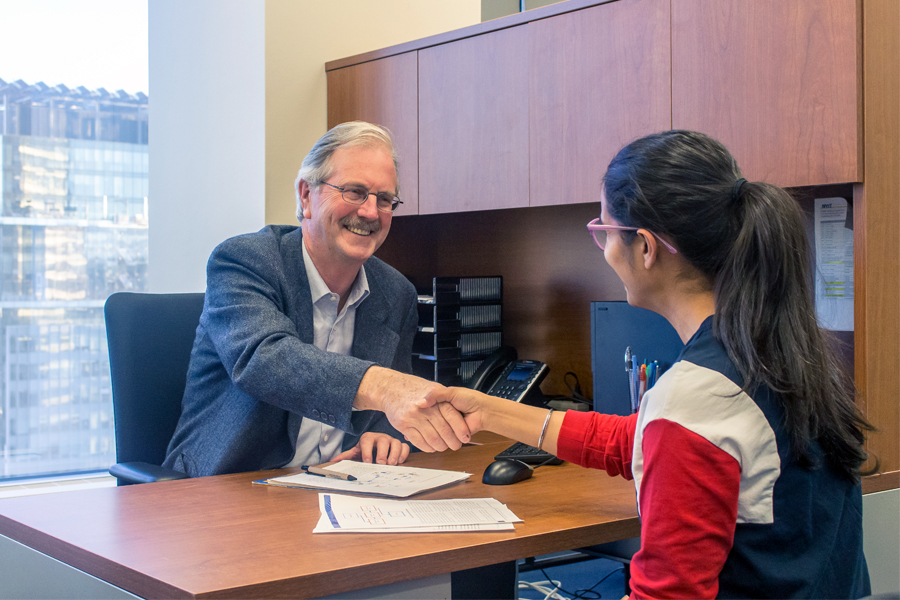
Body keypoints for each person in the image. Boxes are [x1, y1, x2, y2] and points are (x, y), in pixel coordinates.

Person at [426, 130, 873, 599]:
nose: (604, 252)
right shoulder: (780, 357)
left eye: (603, 233)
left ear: (644, 246)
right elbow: (637, 441)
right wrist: (487, 409)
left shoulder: (695, 400)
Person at [163, 121, 469, 478]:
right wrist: (381, 387)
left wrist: (385, 436)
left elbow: (390, 413)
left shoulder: (396, 292)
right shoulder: (244, 261)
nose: (371, 212)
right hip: (227, 487)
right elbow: (264, 359)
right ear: (306, 196)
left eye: (384, 199)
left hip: (338, 490)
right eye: (354, 192)